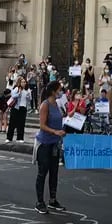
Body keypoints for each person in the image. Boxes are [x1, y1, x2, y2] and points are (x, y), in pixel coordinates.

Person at [34, 80, 67, 214]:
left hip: (55, 143)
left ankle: (52, 199)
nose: (61, 92)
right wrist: (55, 132)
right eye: (59, 90)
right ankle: (39, 202)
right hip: (44, 143)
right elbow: (42, 125)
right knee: (43, 173)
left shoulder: (57, 104)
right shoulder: (45, 105)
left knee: (54, 172)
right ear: (53, 91)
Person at [7, 77, 32, 143]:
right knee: (12, 123)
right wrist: (19, 93)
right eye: (22, 82)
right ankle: (9, 138)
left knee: (21, 123)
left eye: (24, 82)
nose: (24, 83)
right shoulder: (17, 89)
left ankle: (20, 138)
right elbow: (13, 95)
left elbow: (30, 99)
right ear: (19, 83)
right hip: (16, 107)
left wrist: (28, 96)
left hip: (23, 107)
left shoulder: (27, 90)